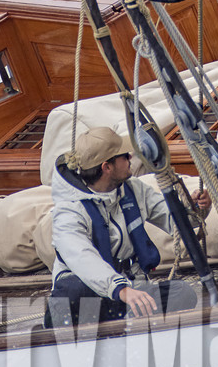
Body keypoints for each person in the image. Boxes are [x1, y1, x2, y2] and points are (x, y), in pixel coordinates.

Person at [46, 127, 201, 327]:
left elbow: (176, 223)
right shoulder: (68, 211)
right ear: (107, 167)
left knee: (182, 294)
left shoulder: (133, 189)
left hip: (130, 291)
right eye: (124, 156)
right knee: (73, 290)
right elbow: (82, 257)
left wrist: (193, 209)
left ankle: (125, 323)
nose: (130, 157)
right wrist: (120, 289)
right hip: (93, 294)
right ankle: (65, 337)